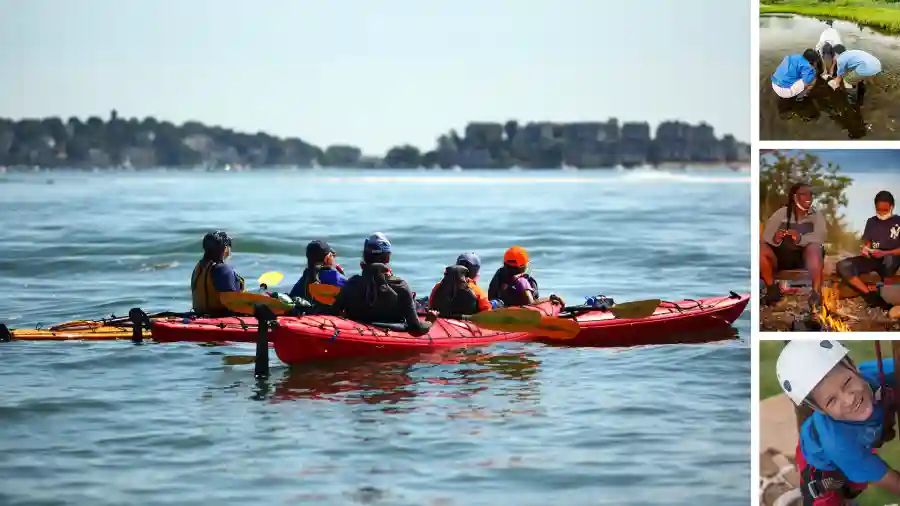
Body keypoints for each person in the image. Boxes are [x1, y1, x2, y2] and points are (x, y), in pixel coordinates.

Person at [777, 340, 900, 503]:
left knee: (856, 478)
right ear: (820, 409)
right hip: (822, 463)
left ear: (854, 367)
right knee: (832, 496)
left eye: (847, 383)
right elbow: (890, 480)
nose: (849, 400)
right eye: (831, 401)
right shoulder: (837, 443)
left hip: (857, 441)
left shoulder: (880, 373)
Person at [330, 232, 432, 335]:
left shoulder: (351, 284)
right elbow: (416, 329)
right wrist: (430, 321)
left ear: (365, 257)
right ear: (387, 258)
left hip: (358, 331)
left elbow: (333, 313)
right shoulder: (400, 286)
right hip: (394, 330)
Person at [760, 183, 827, 308]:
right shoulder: (781, 213)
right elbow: (766, 236)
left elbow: (821, 236)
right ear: (795, 197)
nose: (809, 197)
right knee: (760, 248)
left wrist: (800, 238)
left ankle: (816, 293)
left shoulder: (817, 215)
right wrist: (776, 238)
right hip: (783, 257)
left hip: (805, 259)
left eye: (810, 194)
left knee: (814, 247)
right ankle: (772, 290)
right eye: (804, 194)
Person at [836, 191, 900, 310]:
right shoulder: (871, 221)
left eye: (885, 210)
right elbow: (867, 242)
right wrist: (865, 249)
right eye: (878, 210)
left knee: (890, 259)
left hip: (891, 259)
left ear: (892, 207)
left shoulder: (898, 221)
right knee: (843, 265)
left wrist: (885, 253)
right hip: (873, 257)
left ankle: (882, 293)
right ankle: (870, 295)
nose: (881, 213)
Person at [190, 230, 245, 315]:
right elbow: (233, 304)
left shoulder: (198, 269)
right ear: (226, 249)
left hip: (199, 315)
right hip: (221, 319)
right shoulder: (223, 270)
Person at [428, 252, 492, 318]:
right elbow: (488, 312)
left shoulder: (439, 286)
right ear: (475, 272)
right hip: (465, 322)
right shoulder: (477, 291)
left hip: (439, 319)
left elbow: (430, 306)